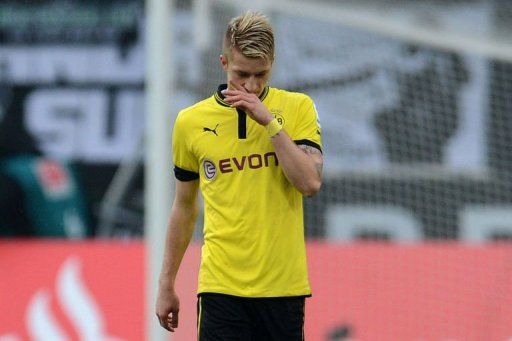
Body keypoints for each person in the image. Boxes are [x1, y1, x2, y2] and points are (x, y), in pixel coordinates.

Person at [156, 11, 323, 340]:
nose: (251, 85)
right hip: (221, 289)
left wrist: (270, 123)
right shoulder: (191, 122)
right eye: (241, 74)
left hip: (283, 289)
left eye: (260, 74)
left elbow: (310, 183)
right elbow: (184, 207)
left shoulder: (297, 108)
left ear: (272, 62)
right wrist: (166, 284)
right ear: (223, 62)